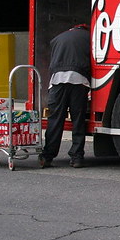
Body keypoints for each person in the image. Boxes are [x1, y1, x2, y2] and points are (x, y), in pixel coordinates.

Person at [39, 23, 91, 168]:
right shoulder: (90, 38)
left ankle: (47, 156)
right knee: (78, 120)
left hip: (57, 81)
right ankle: (77, 157)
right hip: (79, 81)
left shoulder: (58, 38)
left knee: (55, 119)